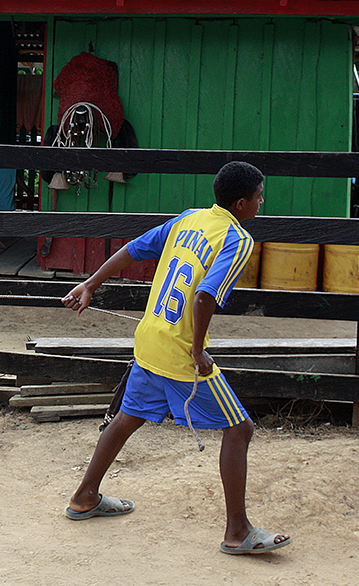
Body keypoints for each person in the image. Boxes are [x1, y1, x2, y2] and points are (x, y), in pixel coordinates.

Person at [60, 161, 292, 555]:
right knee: (240, 430)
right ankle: (238, 531)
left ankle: (85, 497)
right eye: (258, 196)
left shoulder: (188, 219)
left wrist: (89, 283)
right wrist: (198, 348)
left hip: (149, 339)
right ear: (241, 203)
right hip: (182, 351)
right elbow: (204, 295)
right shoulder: (237, 239)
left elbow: (133, 249)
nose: (261, 201)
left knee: (128, 416)